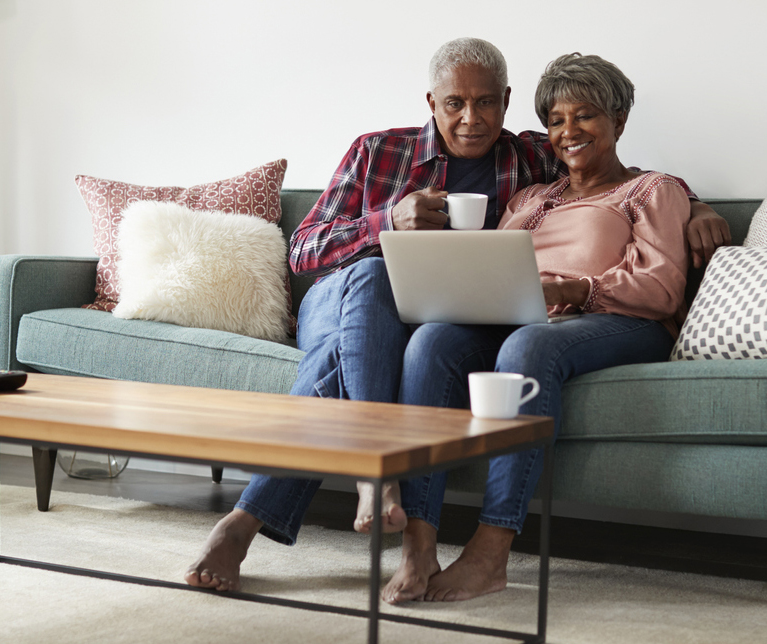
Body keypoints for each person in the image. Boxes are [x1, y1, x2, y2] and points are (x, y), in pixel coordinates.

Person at [185, 39, 729, 593]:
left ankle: (266, 521)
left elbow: (629, 179)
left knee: (421, 343)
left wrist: (698, 206)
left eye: (488, 103)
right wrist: (386, 224)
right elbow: (302, 251)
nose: (472, 118)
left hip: (468, 317)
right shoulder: (381, 152)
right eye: (455, 104)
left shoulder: (529, 161)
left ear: (506, 102)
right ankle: (380, 472)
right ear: (431, 102)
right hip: (344, 294)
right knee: (375, 283)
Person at [381, 52, 694, 603]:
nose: (568, 132)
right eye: (555, 121)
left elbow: (663, 287)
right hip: (528, 316)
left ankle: (490, 553)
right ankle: (419, 539)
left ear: (618, 122)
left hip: (619, 321)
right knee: (432, 341)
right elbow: (495, 266)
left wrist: (574, 289)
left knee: (529, 343)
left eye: (586, 116)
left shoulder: (652, 191)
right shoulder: (530, 196)